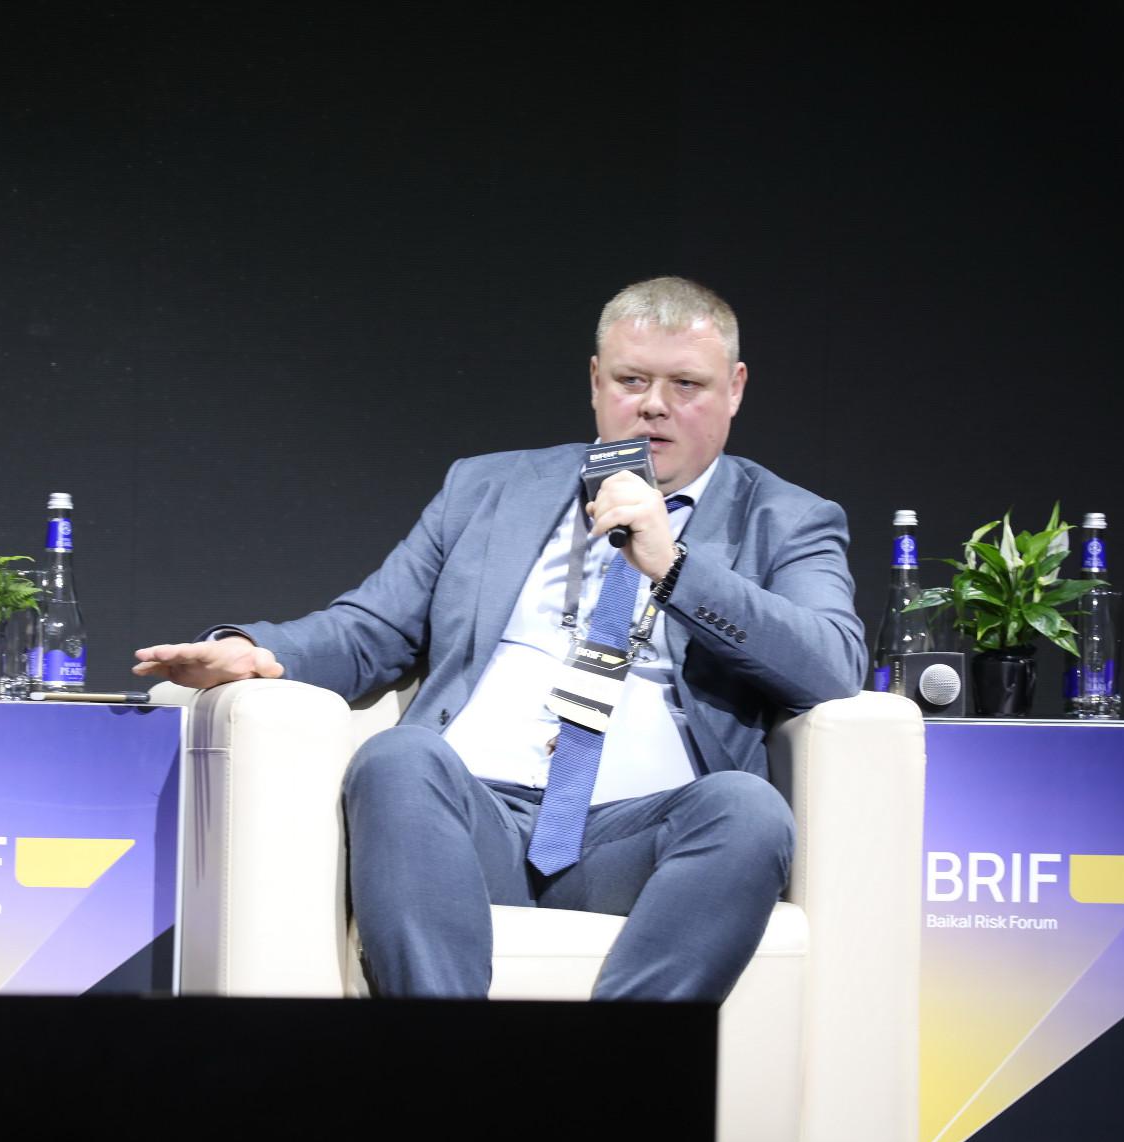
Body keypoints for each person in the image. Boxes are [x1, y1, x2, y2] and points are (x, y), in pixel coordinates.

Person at [133, 277, 863, 1003]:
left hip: (639, 837)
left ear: (735, 389)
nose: (653, 405)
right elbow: (372, 628)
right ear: (595, 381)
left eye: (687, 384)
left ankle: (621, 1067)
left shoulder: (787, 519)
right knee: (398, 757)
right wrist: (258, 650)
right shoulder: (488, 489)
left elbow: (831, 665)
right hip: (470, 820)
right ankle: (454, 1063)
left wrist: (673, 565)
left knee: (748, 811)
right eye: (632, 380)